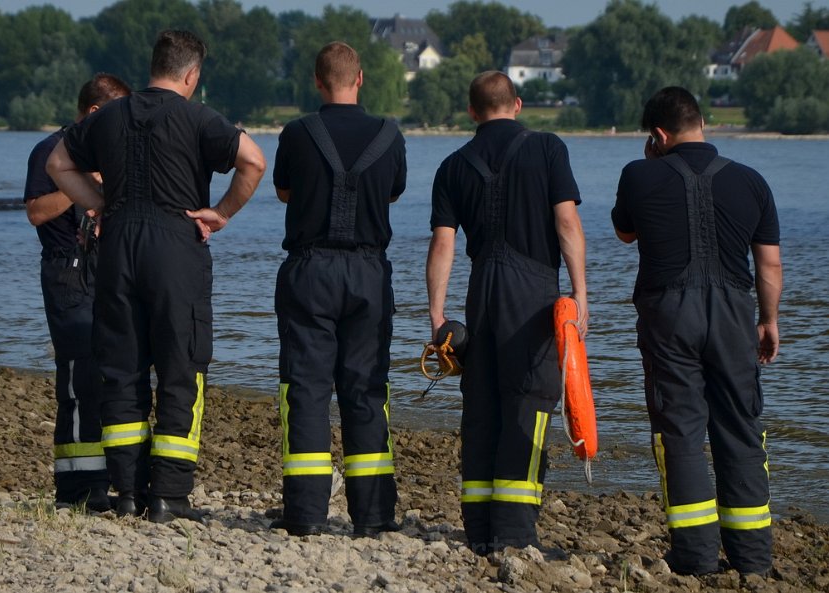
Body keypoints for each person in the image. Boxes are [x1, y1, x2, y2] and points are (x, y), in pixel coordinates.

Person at [46, 30, 266, 523]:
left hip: (119, 243)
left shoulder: (108, 116)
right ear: (192, 75)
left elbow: (57, 162)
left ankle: (126, 493)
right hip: (175, 243)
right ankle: (168, 495)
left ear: (154, 67)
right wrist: (221, 212)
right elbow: (254, 160)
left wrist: (99, 203)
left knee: (121, 367)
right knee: (180, 366)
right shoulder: (197, 116)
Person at [611, 86, 782, 576]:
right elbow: (768, 264)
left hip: (669, 316)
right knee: (741, 429)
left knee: (680, 432)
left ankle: (696, 557)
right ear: (702, 123)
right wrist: (768, 320)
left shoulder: (639, 174)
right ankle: (753, 559)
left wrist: (649, 163)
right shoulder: (751, 181)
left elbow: (626, 233)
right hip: (733, 315)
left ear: (658, 135)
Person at [426, 71, 587, 554]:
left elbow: (442, 245)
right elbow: (567, 222)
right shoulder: (549, 148)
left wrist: (437, 319)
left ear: (473, 112)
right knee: (529, 403)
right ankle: (514, 534)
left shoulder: (452, 166)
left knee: (481, 405)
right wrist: (580, 294)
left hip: (482, 290)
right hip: (533, 293)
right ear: (517, 105)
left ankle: (478, 529)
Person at [272, 41, 406, 536]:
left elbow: (284, 190)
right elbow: (393, 190)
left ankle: (306, 516)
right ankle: (372, 518)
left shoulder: (297, 132)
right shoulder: (390, 135)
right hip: (369, 271)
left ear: (317, 81)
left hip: (309, 269)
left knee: (306, 389)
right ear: (361, 78)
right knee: (367, 388)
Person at [24, 73, 131, 512]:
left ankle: (111, 481)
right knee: (77, 379)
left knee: (116, 376)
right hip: (66, 271)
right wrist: (74, 183)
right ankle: (76, 491)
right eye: (115, 115)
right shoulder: (49, 151)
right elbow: (35, 212)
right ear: (93, 113)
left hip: (110, 269)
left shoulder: (116, 149)